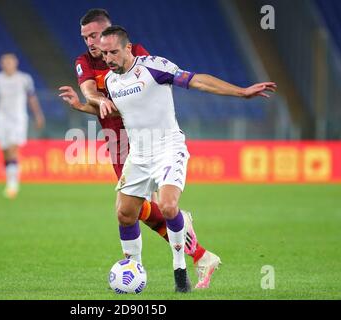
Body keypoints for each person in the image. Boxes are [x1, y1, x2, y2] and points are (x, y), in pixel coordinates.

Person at [62, 26, 276, 292]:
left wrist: (241, 92)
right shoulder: (113, 82)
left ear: (128, 48)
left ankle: (180, 272)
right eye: (104, 54)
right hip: (138, 154)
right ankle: (135, 271)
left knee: (167, 206)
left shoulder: (154, 67)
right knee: (125, 214)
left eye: (113, 52)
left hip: (167, 148)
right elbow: (118, 112)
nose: (108, 59)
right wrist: (80, 106)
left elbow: (196, 80)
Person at [59, 9, 220, 289]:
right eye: (85, 37)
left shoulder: (135, 56)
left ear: (111, 34)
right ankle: (198, 253)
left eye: (95, 35)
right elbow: (89, 92)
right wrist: (90, 102)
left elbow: (150, 82)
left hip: (146, 139)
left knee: (147, 207)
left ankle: (186, 256)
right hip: (117, 140)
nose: (90, 42)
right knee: (135, 209)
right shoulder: (84, 62)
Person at [0, 53, 45, 199]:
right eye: (5, 62)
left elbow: (32, 98)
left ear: (15, 63)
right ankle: (10, 179)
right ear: (1, 64)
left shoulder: (24, 79)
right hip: (1, 118)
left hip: (18, 119)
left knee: (13, 148)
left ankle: (13, 184)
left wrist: (38, 115)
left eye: (10, 61)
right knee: (5, 151)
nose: (7, 64)